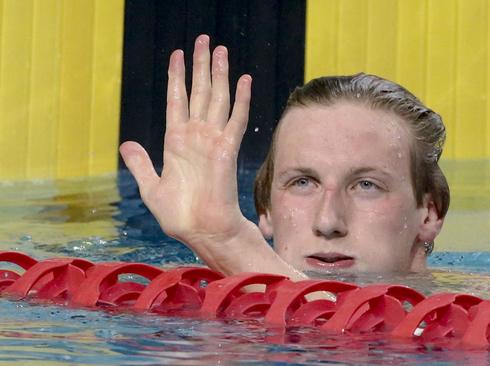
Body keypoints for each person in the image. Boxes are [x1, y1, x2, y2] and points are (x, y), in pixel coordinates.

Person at [119, 35, 449, 281]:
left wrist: (228, 243)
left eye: (366, 185)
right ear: (266, 211)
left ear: (429, 214)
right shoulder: (177, 299)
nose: (328, 222)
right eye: (303, 182)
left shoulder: (488, 318)